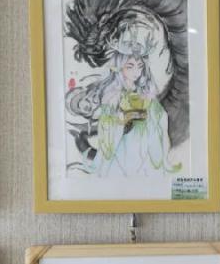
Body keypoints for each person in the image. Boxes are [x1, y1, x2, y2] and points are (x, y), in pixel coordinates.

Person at [66, 24, 181, 177]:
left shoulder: (144, 89)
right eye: (130, 66)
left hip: (144, 143)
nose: (136, 72)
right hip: (123, 146)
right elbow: (107, 127)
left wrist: (152, 112)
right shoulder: (112, 93)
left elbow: (160, 116)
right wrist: (124, 118)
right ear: (119, 67)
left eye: (140, 66)